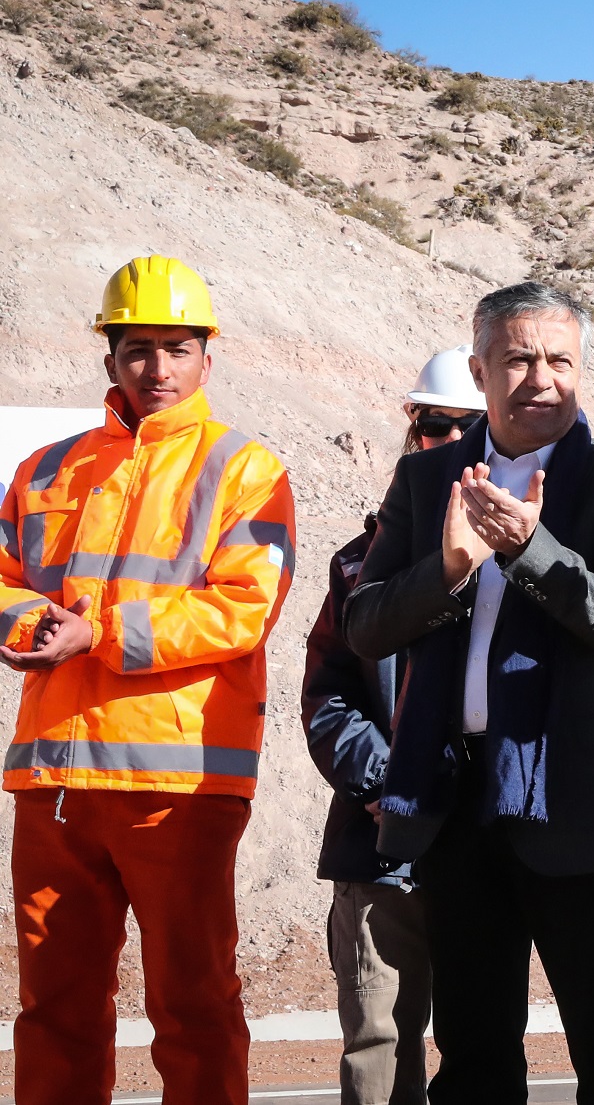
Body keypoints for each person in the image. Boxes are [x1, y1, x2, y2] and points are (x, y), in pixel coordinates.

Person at [343, 284, 594, 1104]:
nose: (541, 377)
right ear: (480, 367)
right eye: (519, 357)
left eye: (560, 359)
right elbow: (365, 625)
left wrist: (532, 549)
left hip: (583, 808)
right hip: (460, 809)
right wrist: (448, 567)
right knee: (477, 1057)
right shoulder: (425, 482)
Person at [0, 256, 297, 1105]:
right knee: (52, 1011)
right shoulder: (45, 471)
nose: (157, 369)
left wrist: (99, 634)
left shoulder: (245, 469)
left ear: (208, 355)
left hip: (180, 785)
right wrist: (30, 625)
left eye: (176, 347)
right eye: (138, 349)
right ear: (110, 360)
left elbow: (244, 606)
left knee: (193, 1007)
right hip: (55, 783)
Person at [301, 346, 487, 1105]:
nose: (445, 442)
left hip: (484, 847)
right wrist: (388, 779)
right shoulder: (357, 565)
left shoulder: (528, 561)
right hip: (381, 854)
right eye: (433, 425)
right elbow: (328, 696)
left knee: (481, 1047)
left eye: (464, 427)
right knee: (380, 1051)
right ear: (412, 429)